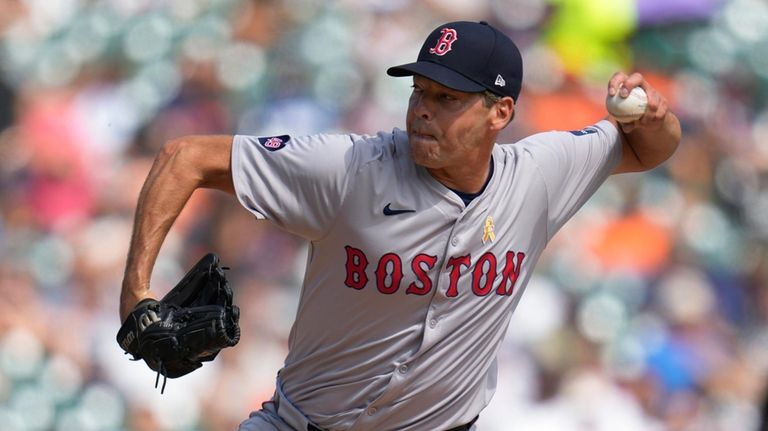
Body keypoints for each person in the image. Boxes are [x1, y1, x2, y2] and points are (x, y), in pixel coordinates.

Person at [119, 20, 681, 431]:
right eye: (418, 92)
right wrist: (135, 294)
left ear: (500, 113)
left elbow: (649, 146)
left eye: (446, 97)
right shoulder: (351, 169)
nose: (422, 110)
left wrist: (656, 115)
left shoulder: (539, 175)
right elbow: (184, 156)